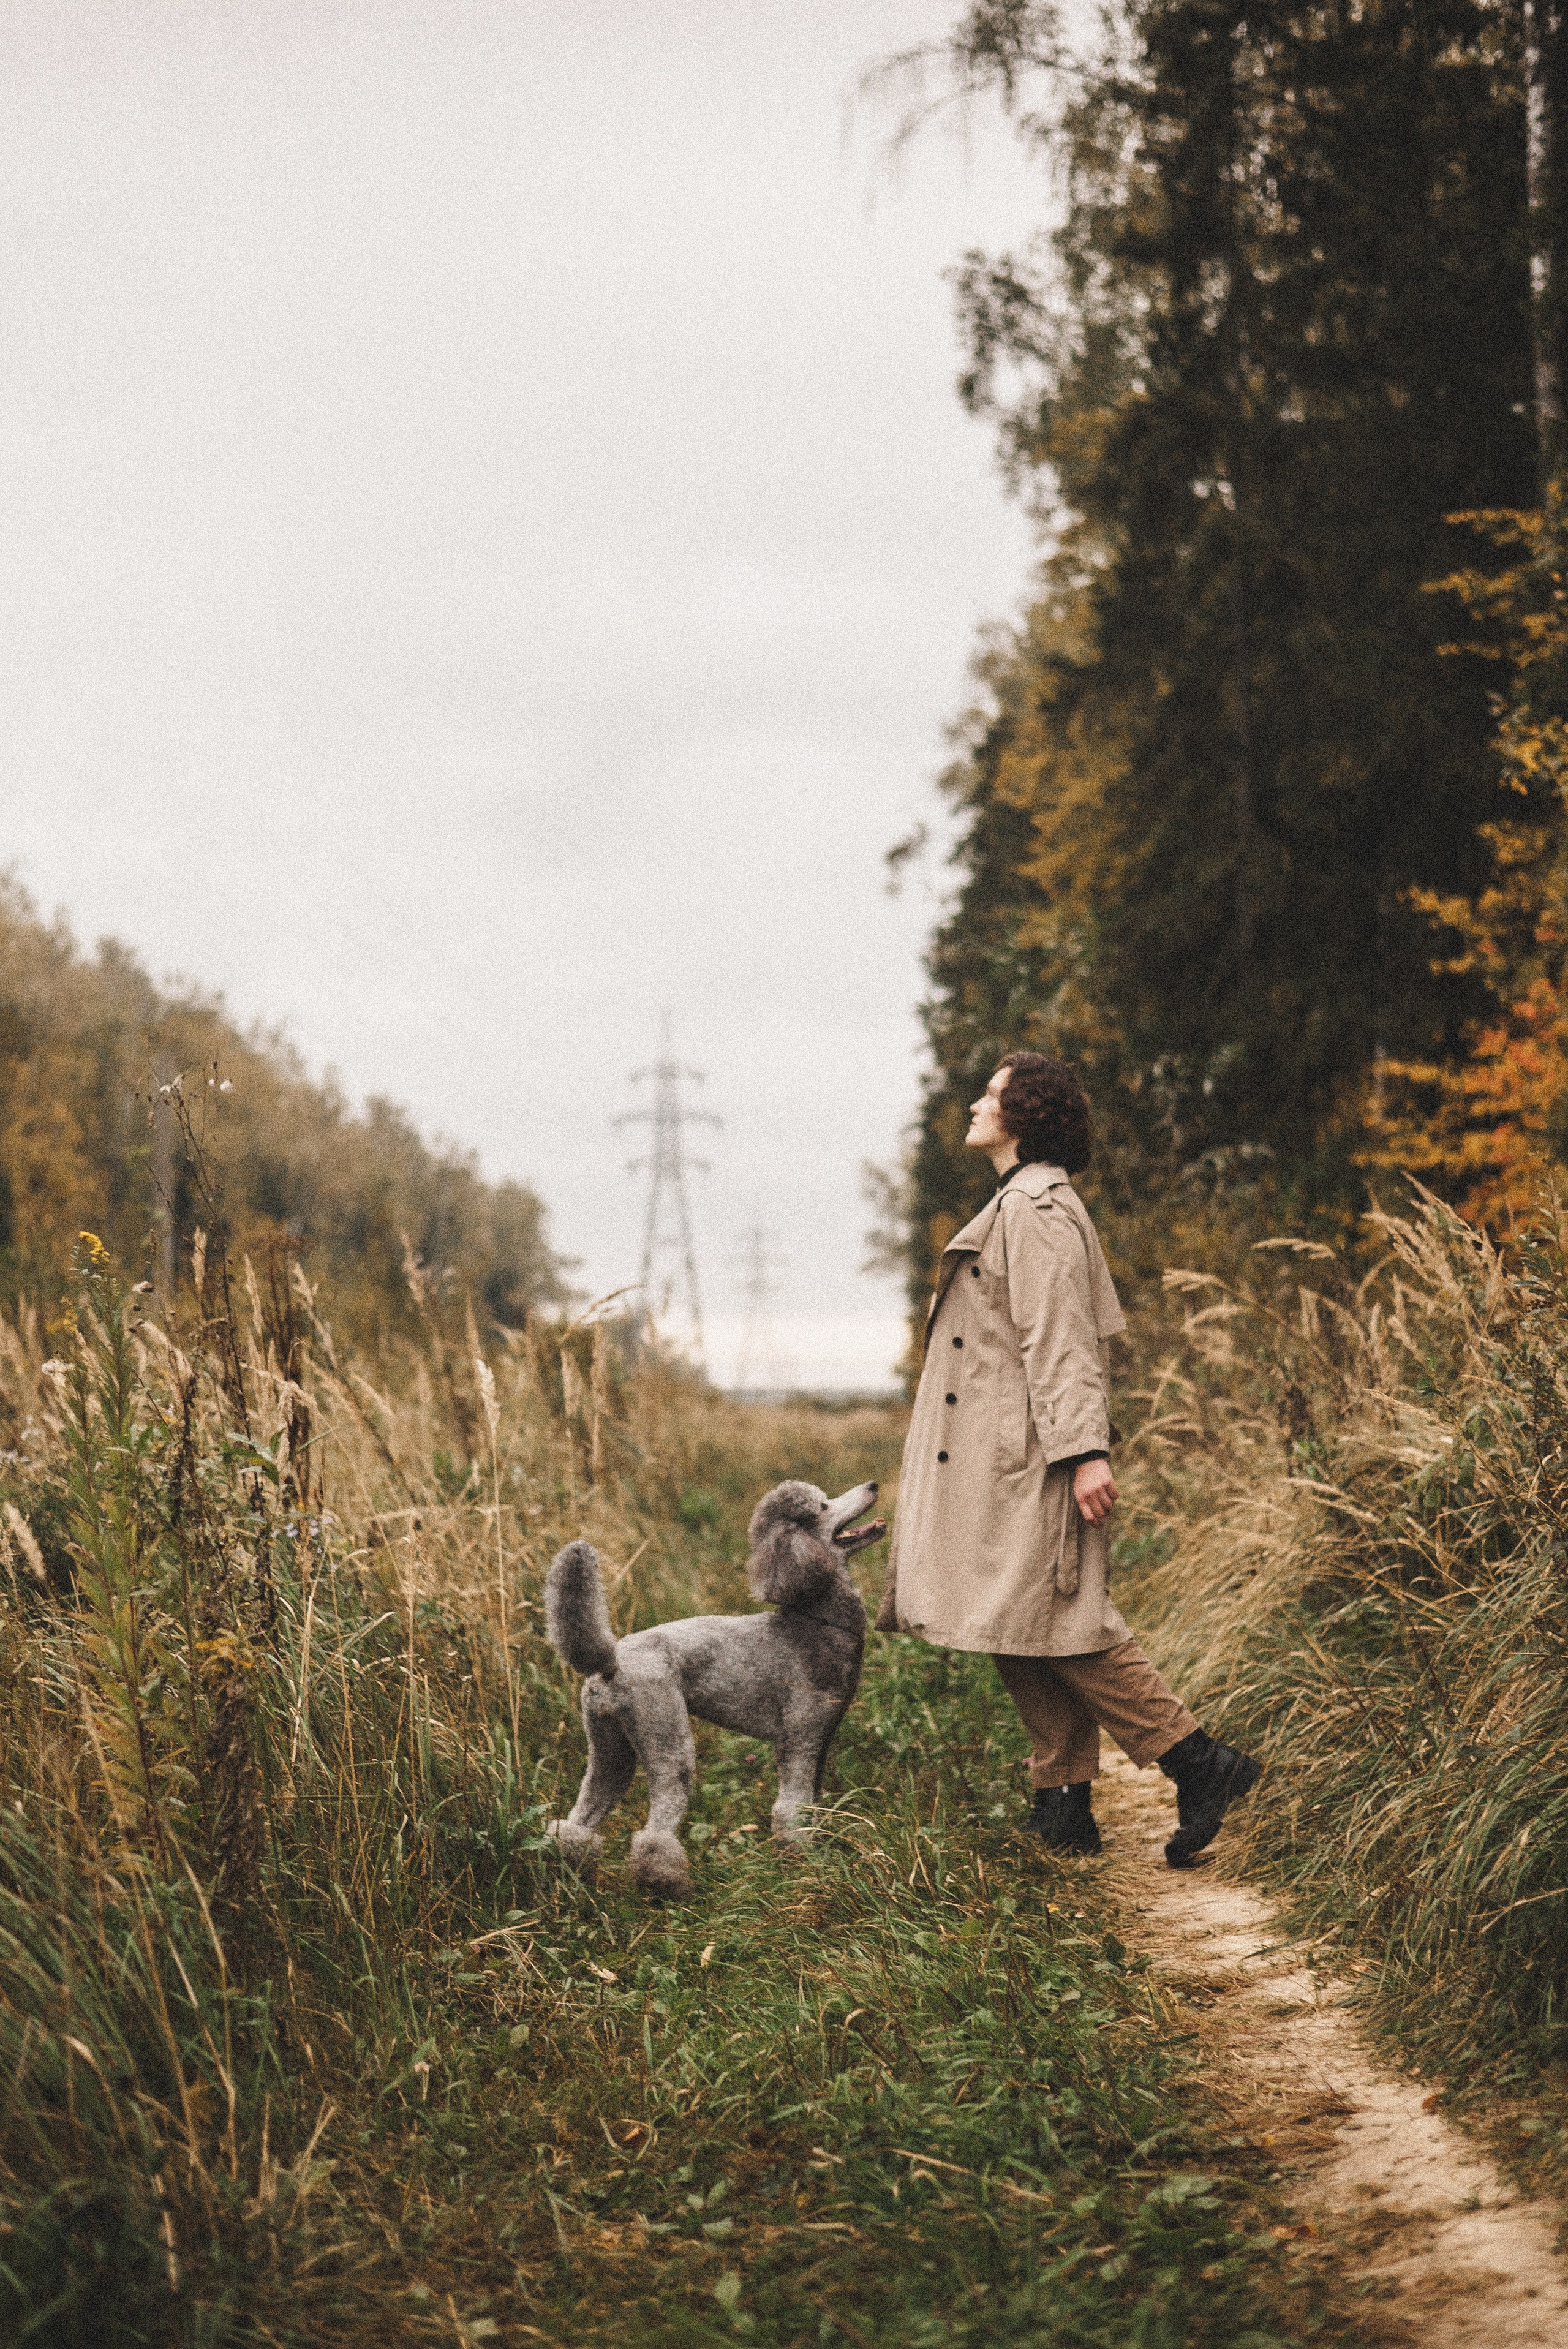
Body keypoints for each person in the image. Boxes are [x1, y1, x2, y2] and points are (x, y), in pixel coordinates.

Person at [878, 1051, 1259, 1864]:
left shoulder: (1038, 1209)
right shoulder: (1018, 1202)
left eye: (991, 1095)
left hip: (1032, 1457)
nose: (974, 1106)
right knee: (1014, 1620)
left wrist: (1087, 1451)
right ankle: (1063, 1806)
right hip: (1002, 1458)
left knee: (1067, 1622)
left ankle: (1199, 1762)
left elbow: (1062, 1342)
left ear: (1025, 1114)